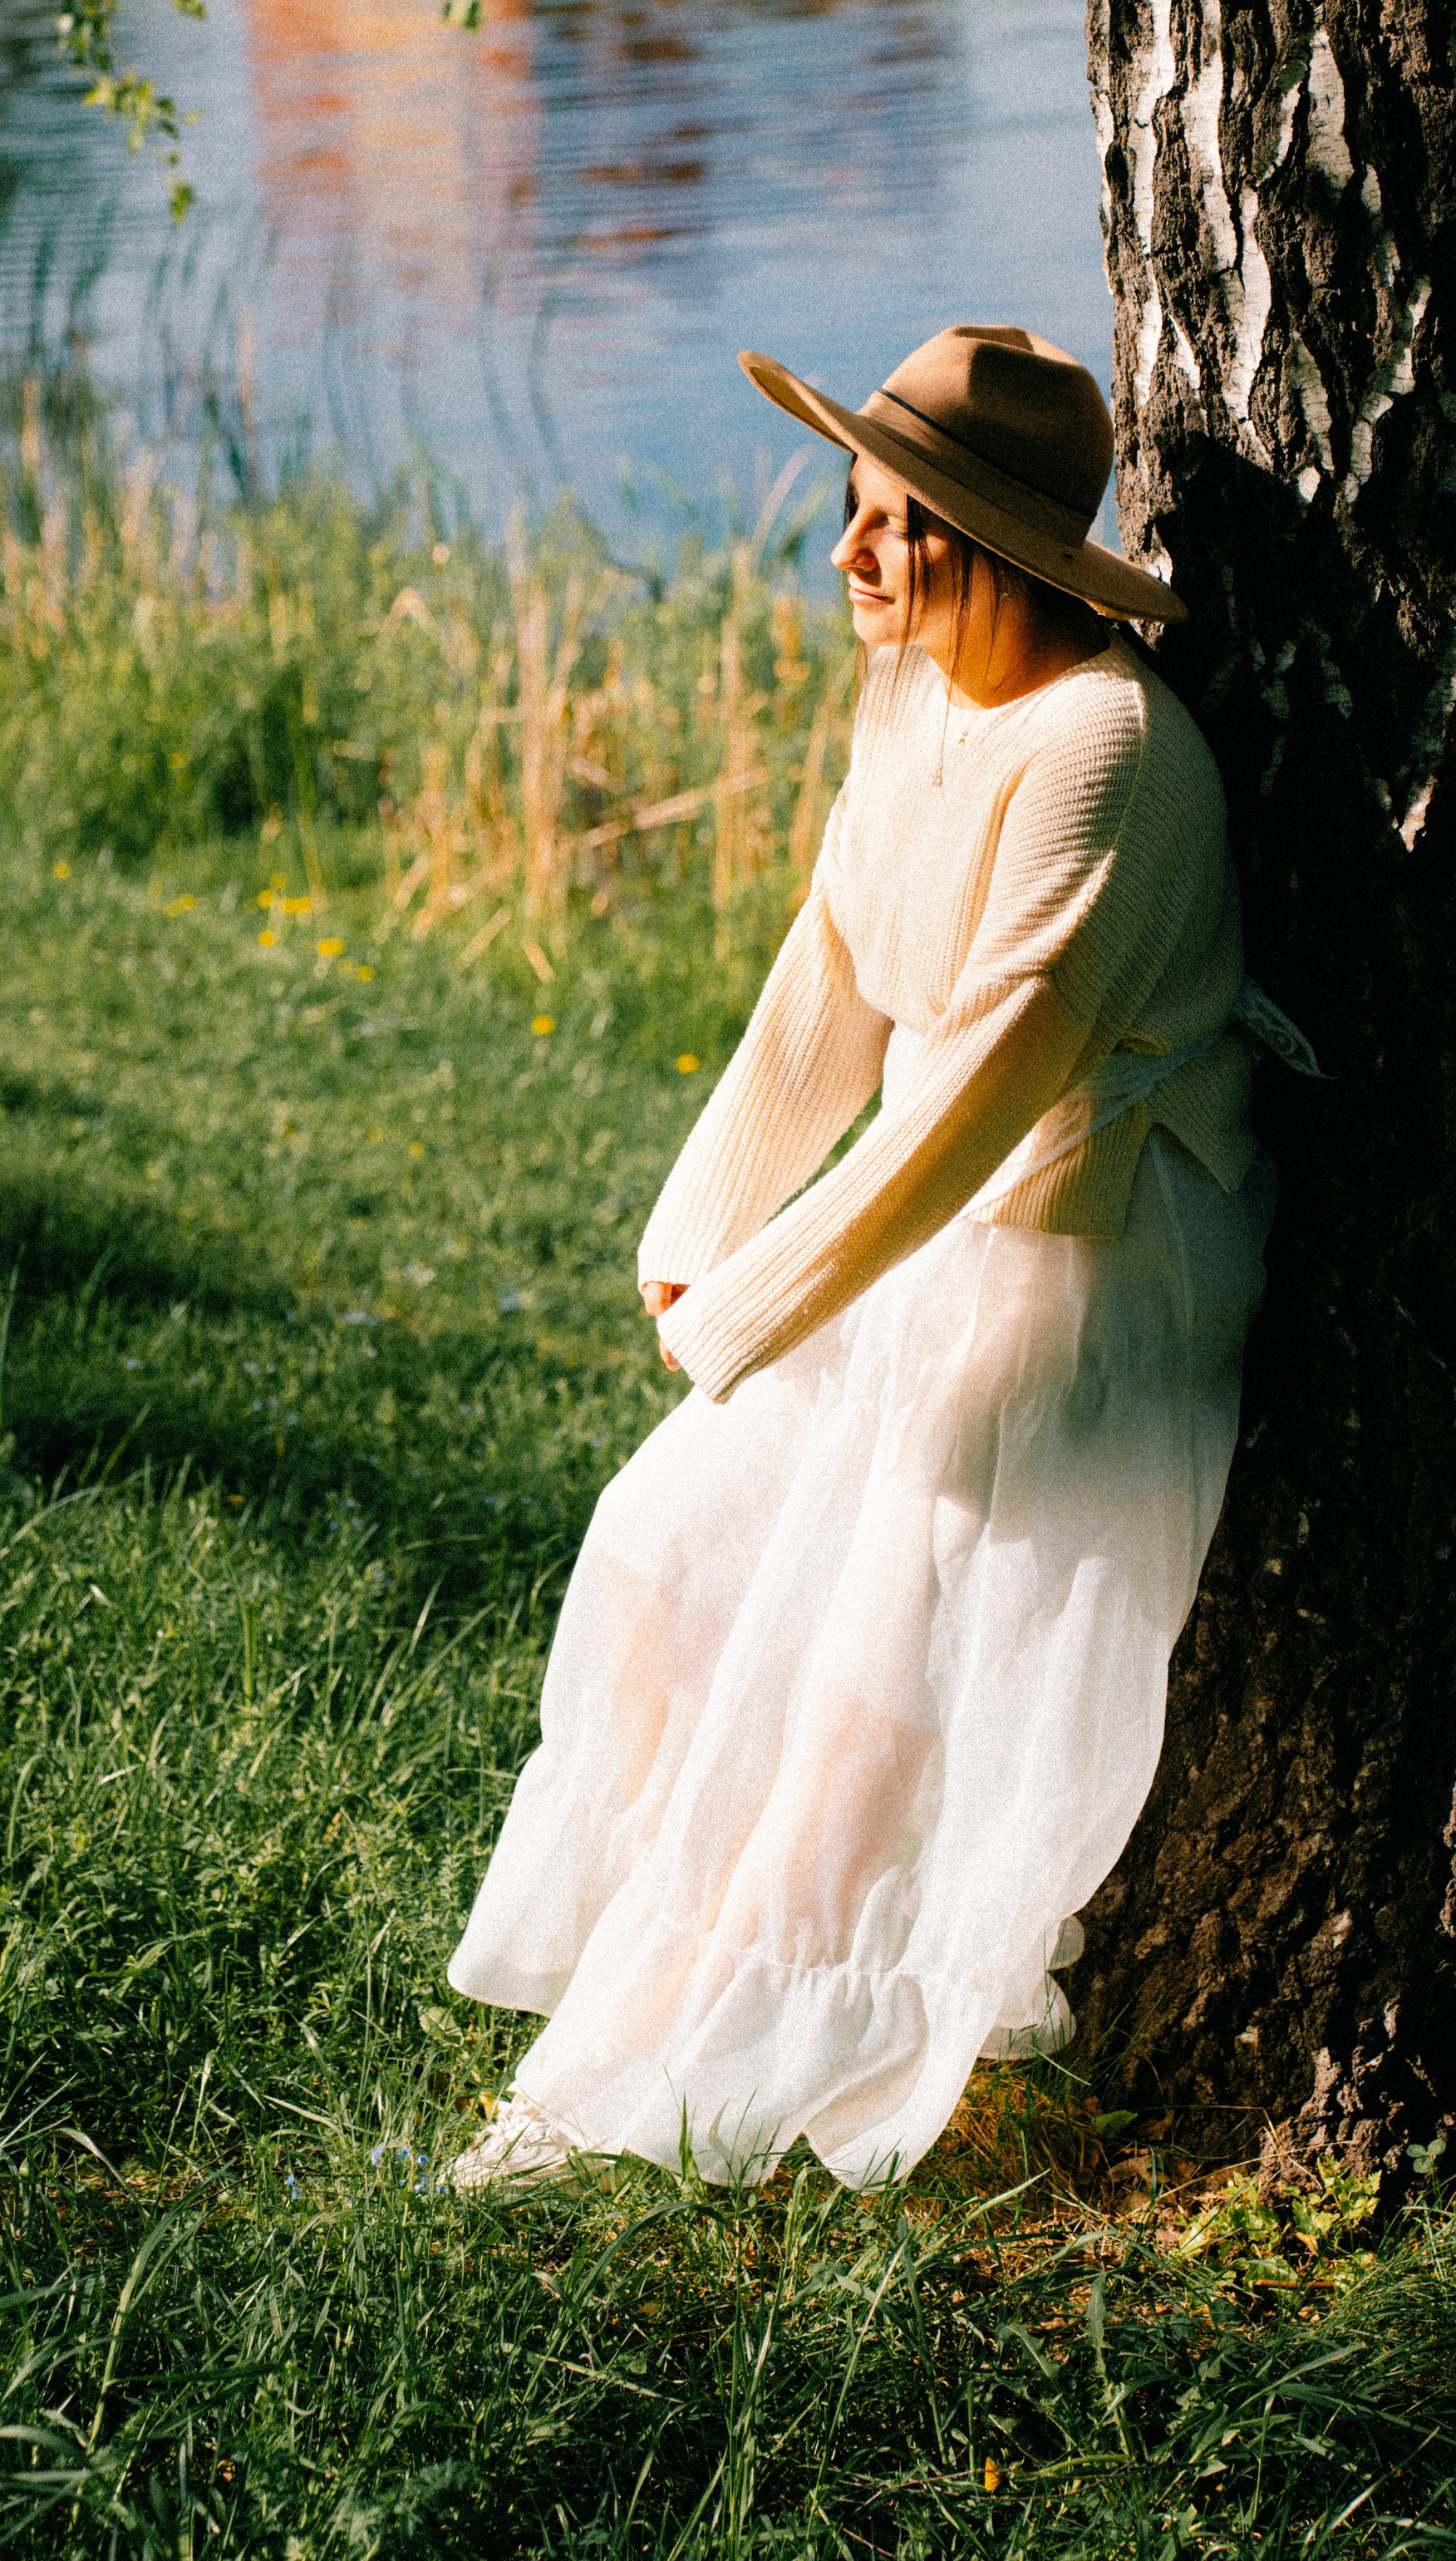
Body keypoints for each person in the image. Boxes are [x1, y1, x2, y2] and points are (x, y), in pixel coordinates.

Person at [444, 323, 1292, 2192]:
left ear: (991, 547)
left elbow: (980, 1093)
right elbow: (825, 986)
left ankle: (692, 2090)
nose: (844, 557)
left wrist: (767, 1304)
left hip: (1086, 1259)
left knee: (853, 1662)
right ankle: (654, 1984)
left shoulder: (1107, 750)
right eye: (851, 510)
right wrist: (702, 1232)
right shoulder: (915, 699)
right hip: (932, 1228)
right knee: (661, 1557)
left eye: (890, 526)